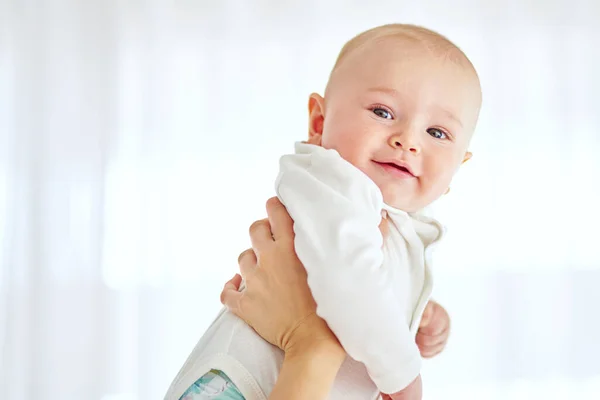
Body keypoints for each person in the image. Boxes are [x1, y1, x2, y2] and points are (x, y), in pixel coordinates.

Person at [165, 22, 480, 400]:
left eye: (437, 133)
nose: (408, 140)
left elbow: (363, 287)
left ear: (457, 169)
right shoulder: (335, 186)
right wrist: (405, 378)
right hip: (239, 387)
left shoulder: (386, 218)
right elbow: (350, 281)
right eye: (382, 112)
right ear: (319, 121)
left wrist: (417, 313)